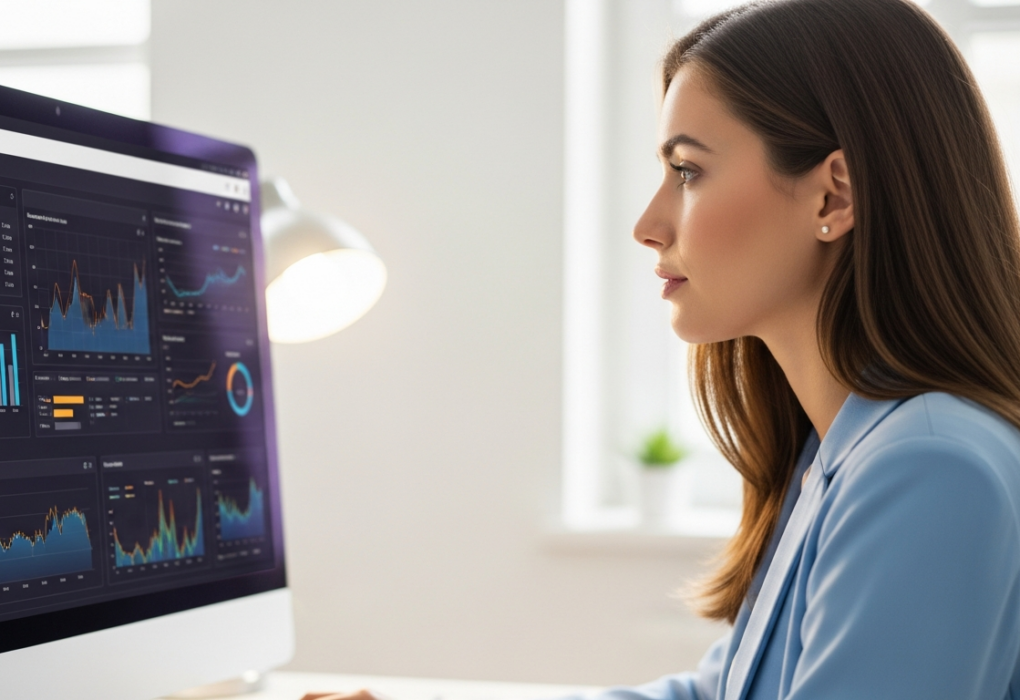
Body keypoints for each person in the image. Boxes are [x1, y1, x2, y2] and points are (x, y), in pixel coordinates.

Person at [339, 0, 1020, 698]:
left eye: (688, 172)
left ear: (832, 197)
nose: (648, 224)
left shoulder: (928, 469)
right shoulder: (839, 451)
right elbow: (711, 695)